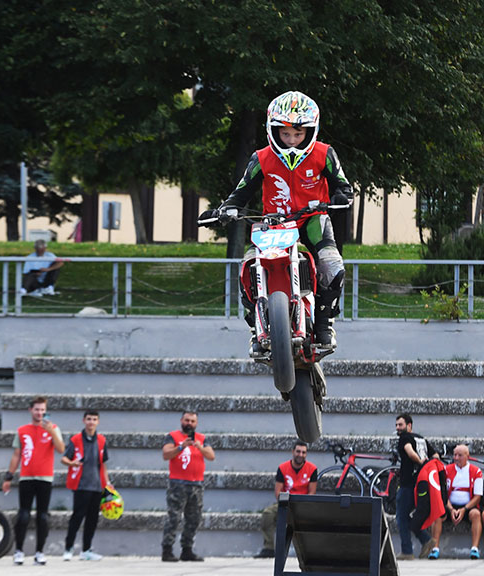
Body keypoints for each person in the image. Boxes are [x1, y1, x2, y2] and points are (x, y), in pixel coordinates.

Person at [211, 91, 352, 350]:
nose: (291, 141)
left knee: (333, 264)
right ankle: (257, 329)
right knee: (248, 267)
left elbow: (342, 186)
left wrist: (342, 197)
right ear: (272, 131)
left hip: (312, 219)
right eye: (285, 134)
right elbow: (239, 194)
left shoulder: (325, 153)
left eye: (298, 135)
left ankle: (323, 324)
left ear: (311, 131)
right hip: (272, 224)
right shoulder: (261, 158)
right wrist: (227, 209)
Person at [1, 396, 65, 566]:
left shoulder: (53, 428)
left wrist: (51, 432)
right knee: (23, 515)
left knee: (43, 517)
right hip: (26, 477)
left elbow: (61, 449)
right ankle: (19, 551)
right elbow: (16, 455)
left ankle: (40, 552)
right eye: (37, 409)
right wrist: (9, 476)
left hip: (45, 478)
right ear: (30, 410)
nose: (40, 413)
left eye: (43, 409)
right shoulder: (22, 430)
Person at [161, 411, 215, 563]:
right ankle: (167, 550)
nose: (189, 423)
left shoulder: (202, 438)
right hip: (178, 484)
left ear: (196, 423)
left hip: (196, 484)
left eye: (192, 421)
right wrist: (181, 447)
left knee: (194, 519)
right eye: (187, 420)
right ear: (181, 421)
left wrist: (200, 447)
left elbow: (211, 456)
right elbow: (166, 454)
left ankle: (187, 550)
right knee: (174, 518)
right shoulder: (172, 436)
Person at [61, 409, 113, 561]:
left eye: (94, 419)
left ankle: (86, 550)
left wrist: (108, 483)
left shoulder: (102, 440)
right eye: (89, 419)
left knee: (92, 519)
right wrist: (72, 463)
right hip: (81, 484)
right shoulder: (76, 439)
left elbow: (103, 464)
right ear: (84, 420)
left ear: (98, 422)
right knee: (77, 517)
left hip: (97, 485)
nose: (91, 422)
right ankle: (68, 548)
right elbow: (64, 458)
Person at [256, 441, 318, 559]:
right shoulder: (283, 468)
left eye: (303, 452)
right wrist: (286, 503)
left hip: (303, 503)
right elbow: (278, 492)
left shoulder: (312, 468)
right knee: (268, 514)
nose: (300, 454)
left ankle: (311, 552)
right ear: (292, 452)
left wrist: (303, 506)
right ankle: (268, 548)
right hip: (286, 502)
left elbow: (312, 492)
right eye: (298, 451)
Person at [394, 414, 437, 560]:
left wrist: (420, 463)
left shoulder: (405, 438)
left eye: (400, 425)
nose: (398, 428)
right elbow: (436, 455)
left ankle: (407, 551)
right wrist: (428, 468)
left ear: (409, 425)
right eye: (396, 425)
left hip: (407, 485)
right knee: (407, 516)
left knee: (401, 517)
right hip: (421, 485)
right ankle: (426, 540)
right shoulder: (421, 439)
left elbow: (410, 453)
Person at [432, 444, 484, 560]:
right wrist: (451, 509)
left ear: (467, 456)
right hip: (449, 504)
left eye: (460, 455)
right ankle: (435, 548)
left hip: (468, 506)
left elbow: (477, 496)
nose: (456, 458)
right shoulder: (446, 470)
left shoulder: (476, 471)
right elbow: (442, 494)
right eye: (455, 455)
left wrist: (464, 509)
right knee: (437, 514)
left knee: (476, 514)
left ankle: (474, 548)